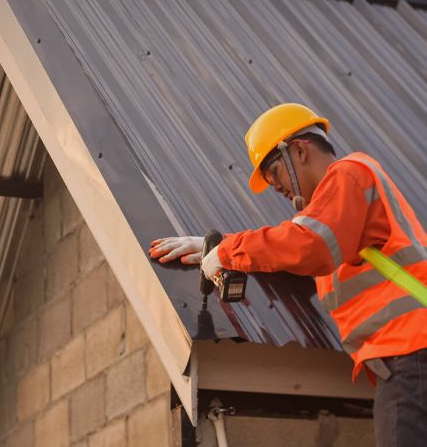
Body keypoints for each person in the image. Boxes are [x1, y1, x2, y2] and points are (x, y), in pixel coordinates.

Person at [149, 103, 427, 447]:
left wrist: (228, 250)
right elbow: (297, 248)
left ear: (298, 149)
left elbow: (307, 245)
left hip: (411, 349)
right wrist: (214, 249)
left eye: (273, 171)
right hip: (408, 352)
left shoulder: (350, 173)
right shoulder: (342, 216)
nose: (274, 186)